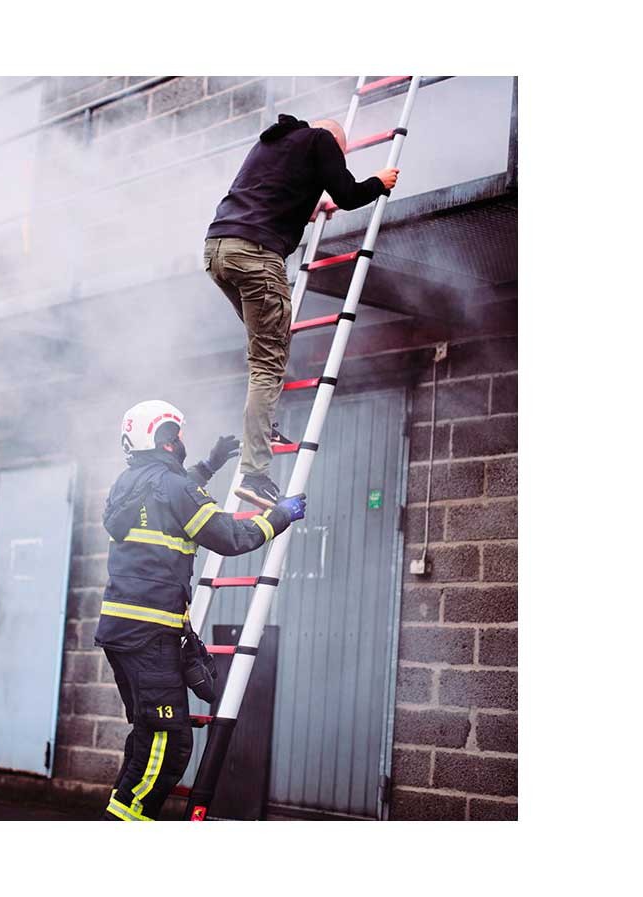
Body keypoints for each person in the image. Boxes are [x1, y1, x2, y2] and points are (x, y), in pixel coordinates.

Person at [95, 399, 307, 821]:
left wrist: (209, 466)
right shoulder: (176, 490)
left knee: (148, 740)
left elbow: (165, 493)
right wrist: (280, 517)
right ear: (166, 438)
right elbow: (229, 536)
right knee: (169, 747)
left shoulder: (127, 484)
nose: (182, 441)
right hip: (150, 638)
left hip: (124, 634)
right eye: (178, 434)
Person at [204, 115, 400, 509]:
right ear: (337, 143)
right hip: (257, 255)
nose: (336, 160)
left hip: (218, 250)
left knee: (267, 342)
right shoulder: (322, 141)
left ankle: (266, 428)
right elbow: (347, 193)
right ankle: (255, 475)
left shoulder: (272, 143)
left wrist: (309, 210)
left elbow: (272, 193)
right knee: (267, 361)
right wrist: (380, 182)